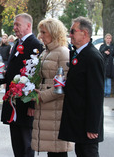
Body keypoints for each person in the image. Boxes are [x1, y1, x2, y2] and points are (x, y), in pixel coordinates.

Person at [59, 17, 104, 157]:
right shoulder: (79, 53)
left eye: (73, 31)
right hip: (78, 121)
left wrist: (92, 126)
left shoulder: (92, 57)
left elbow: (96, 95)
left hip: (86, 124)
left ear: (84, 33)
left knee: (88, 153)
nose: (70, 35)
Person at [0, 13, 43, 157]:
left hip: (25, 102)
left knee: (26, 144)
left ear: (28, 26)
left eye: (18, 24)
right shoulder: (17, 43)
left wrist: (32, 104)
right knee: (17, 142)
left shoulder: (35, 45)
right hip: (14, 100)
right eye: (14, 24)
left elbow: (36, 75)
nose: (14, 28)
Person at [31, 18, 73, 156]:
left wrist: (42, 96)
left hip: (56, 108)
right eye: (40, 32)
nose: (41, 36)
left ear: (54, 33)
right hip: (46, 109)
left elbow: (64, 84)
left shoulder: (63, 52)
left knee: (58, 151)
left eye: (44, 32)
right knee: (51, 150)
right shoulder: (45, 52)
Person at [99, 33, 114, 97]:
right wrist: (104, 53)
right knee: (104, 80)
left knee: (108, 81)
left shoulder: (112, 47)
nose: (108, 40)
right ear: (105, 39)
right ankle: (104, 92)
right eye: (107, 38)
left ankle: (108, 92)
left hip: (110, 65)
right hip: (103, 64)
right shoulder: (102, 46)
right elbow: (99, 54)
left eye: (109, 38)